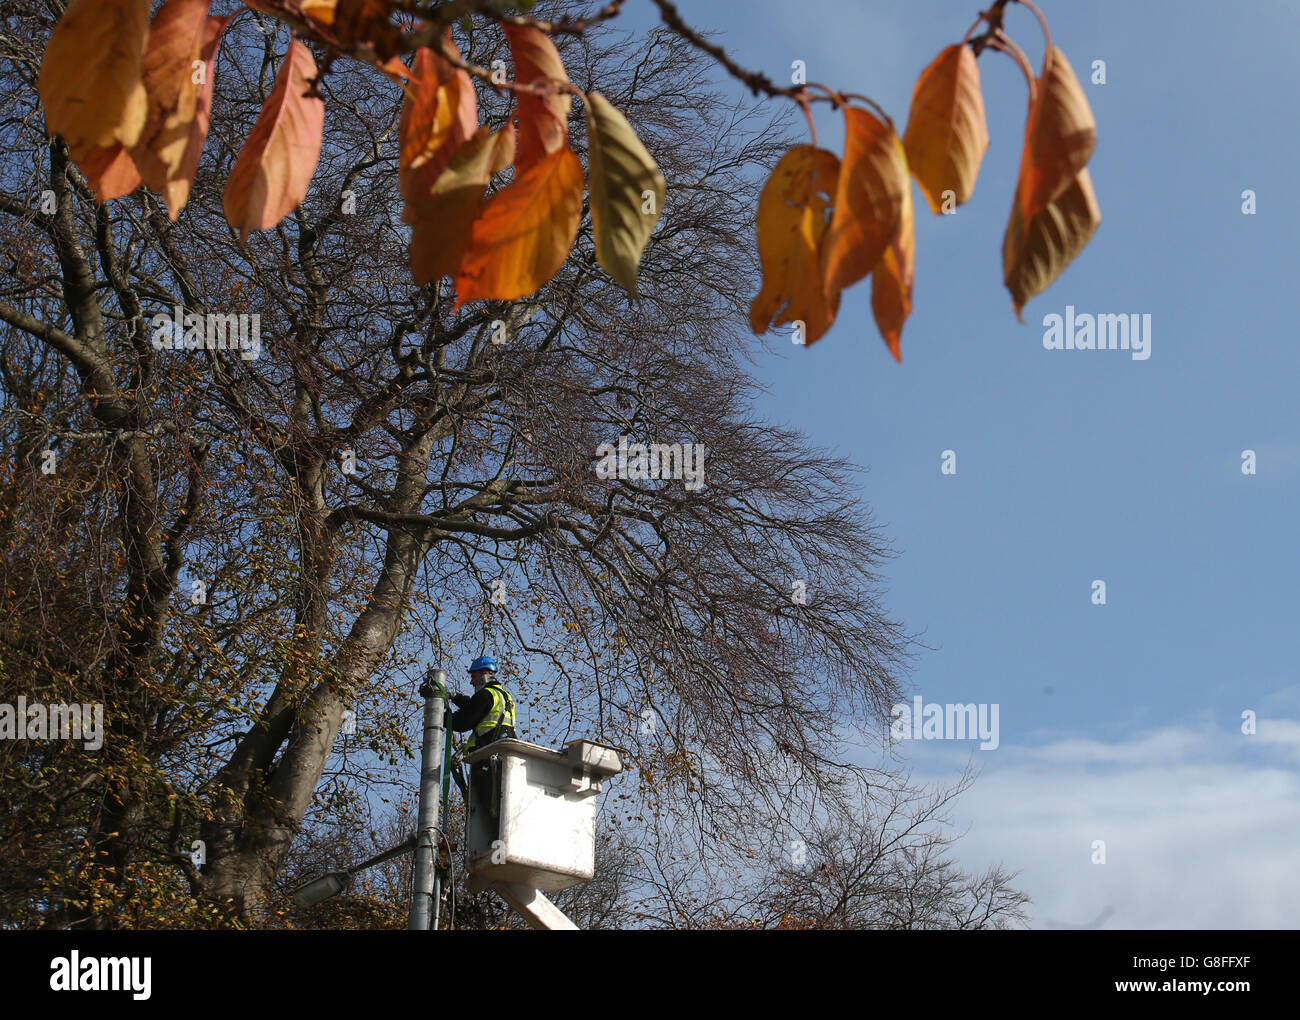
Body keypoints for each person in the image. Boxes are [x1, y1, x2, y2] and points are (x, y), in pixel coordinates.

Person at [449, 654, 516, 753]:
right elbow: (475, 707)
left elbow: (464, 721)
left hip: (486, 751)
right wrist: (456, 698)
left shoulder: (486, 694)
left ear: (484, 673)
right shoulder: (505, 696)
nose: (471, 682)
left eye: (473, 676)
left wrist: (439, 717)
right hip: (505, 750)